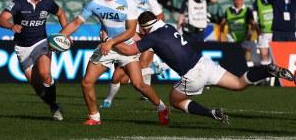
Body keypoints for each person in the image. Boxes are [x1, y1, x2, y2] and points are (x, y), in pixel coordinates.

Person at [111, 11, 295, 124]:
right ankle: (267, 70)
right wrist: (134, 35)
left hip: (193, 73)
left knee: (175, 100)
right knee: (239, 84)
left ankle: (211, 113)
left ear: (145, 27)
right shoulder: (166, 27)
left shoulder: (152, 37)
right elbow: (144, 37)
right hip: (205, 63)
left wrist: (109, 42)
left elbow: (128, 51)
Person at [59, 0, 169, 126]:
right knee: (87, 82)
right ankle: (94, 117)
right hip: (107, 47)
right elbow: (76, 23)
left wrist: (111, 42)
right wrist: (60, 37)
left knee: (139, 85)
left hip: (127, 47)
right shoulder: (94, 4)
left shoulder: (128, 2)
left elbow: (131, 30)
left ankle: (162, 108)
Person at [0, 0, 68, 121]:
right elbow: (0, 19)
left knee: (44, 74)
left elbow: (61, 13)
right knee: (36, 86)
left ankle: (54, 106)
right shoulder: (19, 3)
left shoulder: (47, 3)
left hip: (41, 42)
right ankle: (54, 105)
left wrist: (65, 33)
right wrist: (12, 26)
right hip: (22, 48)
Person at [100, 0, 165, 107]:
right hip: (129, 39)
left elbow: (160, 16)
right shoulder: (126, 0)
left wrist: (147, 29)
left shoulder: (149, 0)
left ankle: (109, 100)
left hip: (145, 39)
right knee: (120, 78)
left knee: (141, 67)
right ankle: (109, 99)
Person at [220, 0, 258, 64]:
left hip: (244, 38)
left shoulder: (247, 10)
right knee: (233, 58)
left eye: (240, 0)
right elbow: (222, 23)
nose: (238, 2)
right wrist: (222, 35)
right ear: (233, 0)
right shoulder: (228, 10)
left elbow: (252, 23)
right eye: (236, 0)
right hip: (232, 38)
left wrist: (250, 35)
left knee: (244, 58)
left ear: (243, 0)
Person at [252, 0, 274, 65]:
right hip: (263, 33)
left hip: (274, 32)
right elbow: (254, 18)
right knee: (264, 55)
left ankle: (274, 76)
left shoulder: (276, 0)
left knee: (274, 55)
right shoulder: (257, 2)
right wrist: (257, 28)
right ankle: (265, 76)